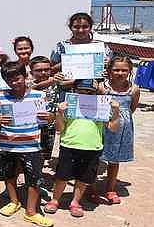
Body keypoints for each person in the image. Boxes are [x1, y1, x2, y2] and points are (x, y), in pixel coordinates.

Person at [45, 79, 120, 217]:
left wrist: (115, 111)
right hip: (69, 145)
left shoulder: (101, 106)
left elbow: (113, 128)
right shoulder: (68, 106)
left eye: (90, 92)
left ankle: (75, 202)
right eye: (81, 91)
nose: (85, 94)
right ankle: (55, 200)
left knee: (84, 177)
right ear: (75, 91)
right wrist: (60, 113)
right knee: (62, 176)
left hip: (93, 147)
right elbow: (59, 128)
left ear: (95, 93)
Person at [0, 61, 54, 227]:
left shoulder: (39, 96)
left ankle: (31, 212)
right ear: (5, 80)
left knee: (34, 179)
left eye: (17, 77)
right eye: (9, 79)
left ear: (25, 76)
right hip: (6, 145)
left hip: (31, 145)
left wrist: (48, 117)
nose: (14, 82)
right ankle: (14, 202)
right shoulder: (0, 98)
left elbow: (46, 121)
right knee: (9, 175)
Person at [97, 57, 139, 204]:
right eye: (116, 69)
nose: (120, 73)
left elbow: (131, 108)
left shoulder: (134, 89)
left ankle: (110, 188)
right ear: (109, 70)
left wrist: (121, 118)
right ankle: (91, 189)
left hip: (123, 128)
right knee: (96, 157)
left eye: (124, 70)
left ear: (129, 71)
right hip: (103, 125)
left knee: (114, 160)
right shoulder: (102, 87)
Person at [29, 56, 65, 161]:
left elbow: (72, 83)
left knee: (45, 155)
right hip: (32, 126)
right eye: (39, 70)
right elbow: (37, 87)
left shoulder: (58, 82)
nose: (43, 72)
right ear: (31, 72)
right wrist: (53, 80)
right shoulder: (28, 84)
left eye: (47, 69)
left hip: (50, 126)